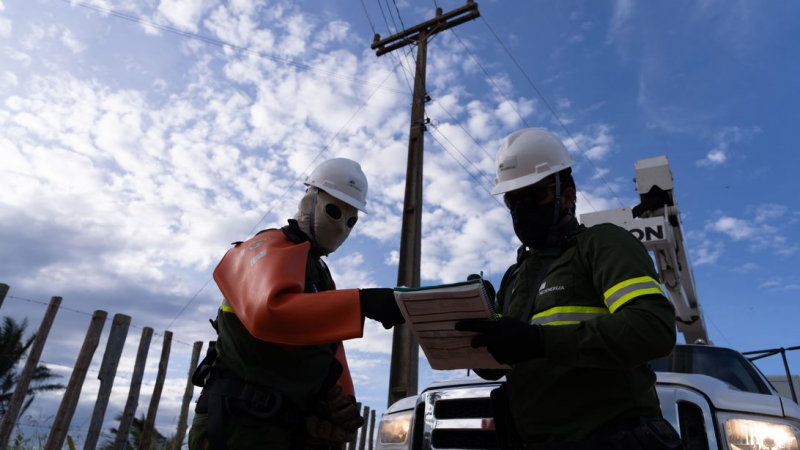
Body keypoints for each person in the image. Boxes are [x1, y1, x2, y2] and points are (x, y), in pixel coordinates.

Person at [456, 128, 681, 449]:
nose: (522, 210)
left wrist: (540, 341)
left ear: (568, 196)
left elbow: (652, 329)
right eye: (513, 200)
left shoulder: (604, 243)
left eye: (534, 197)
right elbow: (496, 367)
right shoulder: (514, 276)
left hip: (612, 438)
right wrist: (473, 330)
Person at [188, 158, 405, 450]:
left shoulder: (320, 274)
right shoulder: (265, 247)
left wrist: (343, 402)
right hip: (238, 426)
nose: (342, 226)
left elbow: (332, 347)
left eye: (351, 220)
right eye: (334, 210)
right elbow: (268, 313)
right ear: (309, 199)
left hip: (288, 431)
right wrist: (362, 302)